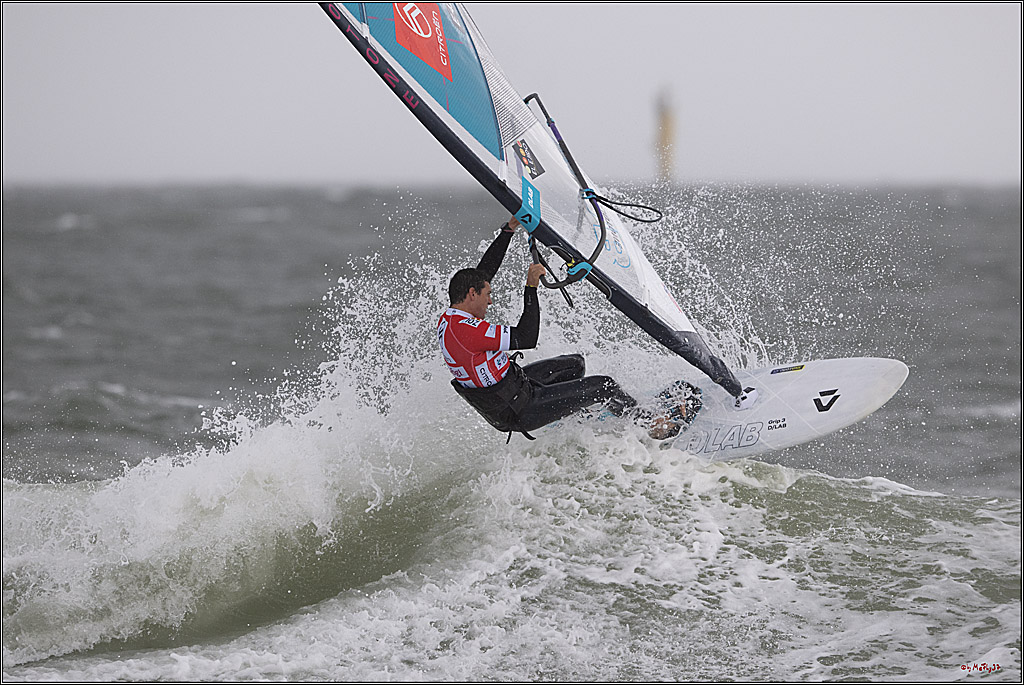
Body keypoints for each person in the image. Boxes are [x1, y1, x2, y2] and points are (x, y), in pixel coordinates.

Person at [437, 216, 643, 440]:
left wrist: (509, 229)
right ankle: (648, 425)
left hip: (515, 386)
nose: (490, 302)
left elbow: (483, 274)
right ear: (472, 294)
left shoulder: (452, 318)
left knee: (575, 364)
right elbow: (526, 338)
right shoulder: (467, 332)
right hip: (520, 409)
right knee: (606, 386)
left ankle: (569, 418)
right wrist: (531, 287)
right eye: (488, 295)